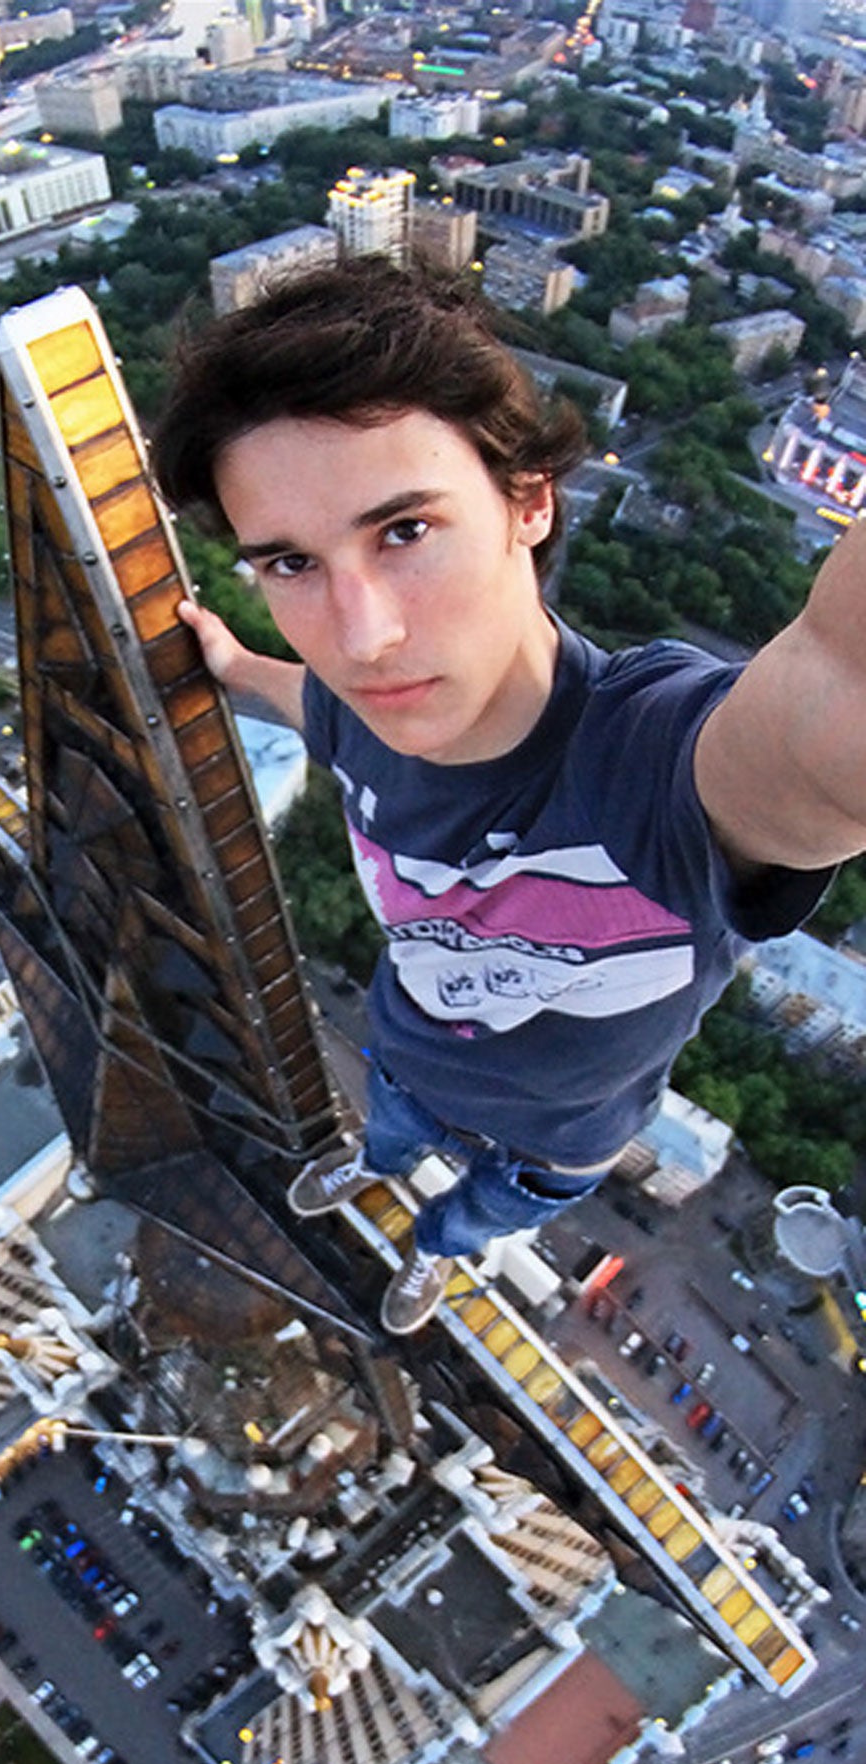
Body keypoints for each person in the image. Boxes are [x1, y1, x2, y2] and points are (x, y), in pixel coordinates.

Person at [150, 258, 862, 1334]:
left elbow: (833, 704)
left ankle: (436, 1254)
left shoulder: (650, 767)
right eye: (291, 563)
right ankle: (371, 1174)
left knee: (476, 1218)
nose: (363, 636)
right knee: (383, 1142)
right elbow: (318, 704)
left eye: (405, 531)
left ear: (530, 502)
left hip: (556, 1140)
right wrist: (234, 665)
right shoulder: (360, 710)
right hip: (408, 1060)